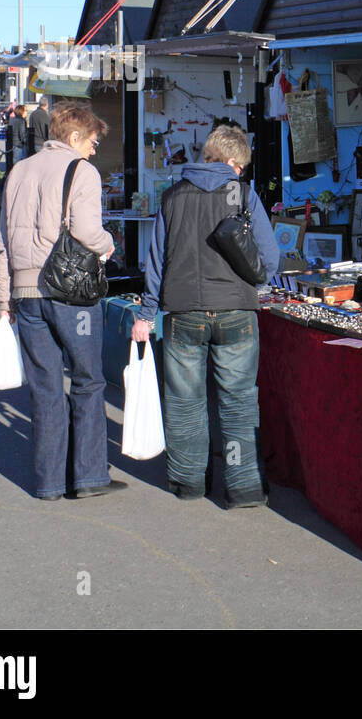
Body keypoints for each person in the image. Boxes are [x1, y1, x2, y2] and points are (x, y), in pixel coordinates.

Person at [131, 124, 280, 507]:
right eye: (241, 167)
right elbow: (270, 258)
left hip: (182, 313)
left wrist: (146, 314)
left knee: (184, 401)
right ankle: (244, 486)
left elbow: (156, 263)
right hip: (236, 311)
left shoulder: (173, 196)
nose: (241, 174)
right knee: (238, 400)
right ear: (231, 162)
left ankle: (188, 483)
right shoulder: (241, 194)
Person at [0, 103, 123, 500]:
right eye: (93, 141)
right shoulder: (81, 171)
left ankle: (49, 482)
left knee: (45, 387)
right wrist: (110, 244)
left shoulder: (18, 170)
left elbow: (2, 244)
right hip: (68, 292)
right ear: (74, 138)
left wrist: (4, 301)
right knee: (88, 381)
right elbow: (86, 230)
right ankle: (88, 477)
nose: (95, 150)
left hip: (26, 292)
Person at [5, 104, 28, 173]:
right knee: (19, 166)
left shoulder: (11, 120)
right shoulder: (21, 121)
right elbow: (23, 135)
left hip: (11, 145)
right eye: (25, 111)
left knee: (12, 166)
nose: (26, 112)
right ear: (22, 112)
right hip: (19, 146)